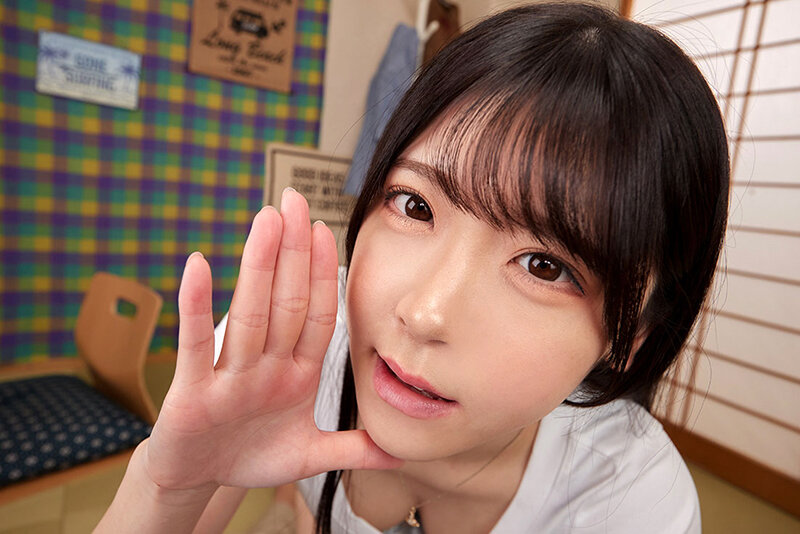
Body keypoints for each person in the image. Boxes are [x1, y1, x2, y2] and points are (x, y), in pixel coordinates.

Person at [97, 3, 729, 533]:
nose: (425, 314)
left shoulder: (631, 500)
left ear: (633, 334)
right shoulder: (294, 351)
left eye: (543, 266)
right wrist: (166, 487)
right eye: (415, 204)